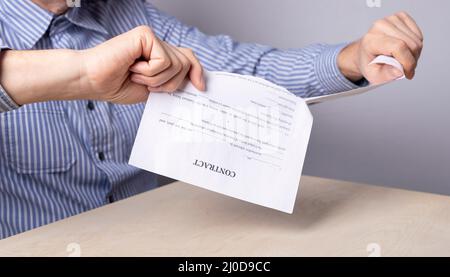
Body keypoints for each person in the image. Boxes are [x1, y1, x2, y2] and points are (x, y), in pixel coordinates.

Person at [0, 0, 423, 239]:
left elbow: (247, 72)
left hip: (154, 243)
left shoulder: (128, 14)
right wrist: (78, 75)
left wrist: (351, 59)